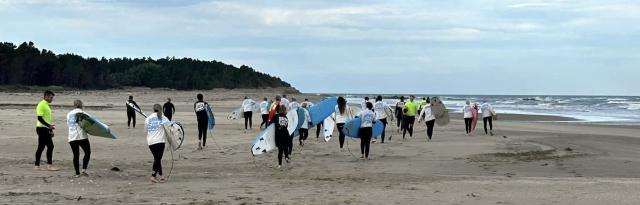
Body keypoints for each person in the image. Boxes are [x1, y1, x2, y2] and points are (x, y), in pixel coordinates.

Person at [66, 100, 91, 177]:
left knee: (76, 155)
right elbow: (89, 124)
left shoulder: (68, 114)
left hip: (72, 137)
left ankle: (77, 173)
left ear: (74, 105)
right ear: (81, 105)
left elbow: (69, 124)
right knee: (87, 152)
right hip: (82, 136)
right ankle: (84, 170)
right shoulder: (84, 113)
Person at [35, 90, 58, 171]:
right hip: (41, 129)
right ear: (46, 96)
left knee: (41, 147)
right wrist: (49, 126)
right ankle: (49, 165)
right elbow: (39, 118)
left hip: (44, 128)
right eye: (51, 97)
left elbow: (47, 119)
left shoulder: (46, 105)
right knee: (50, 146)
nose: (52, 99)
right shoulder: (41, 105)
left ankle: (37, 166)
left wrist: (50, 130)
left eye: (52, 98)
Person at [146, 104, 169, 183]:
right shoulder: (163, 117)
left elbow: (146, 129)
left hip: (150, 142)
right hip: (160, 141)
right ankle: (153, 176)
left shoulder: (148, 118)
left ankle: (161, 175)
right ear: (161, 109)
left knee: (157, 159)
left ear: (153, 109)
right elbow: (169, 127)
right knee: (157, 159)